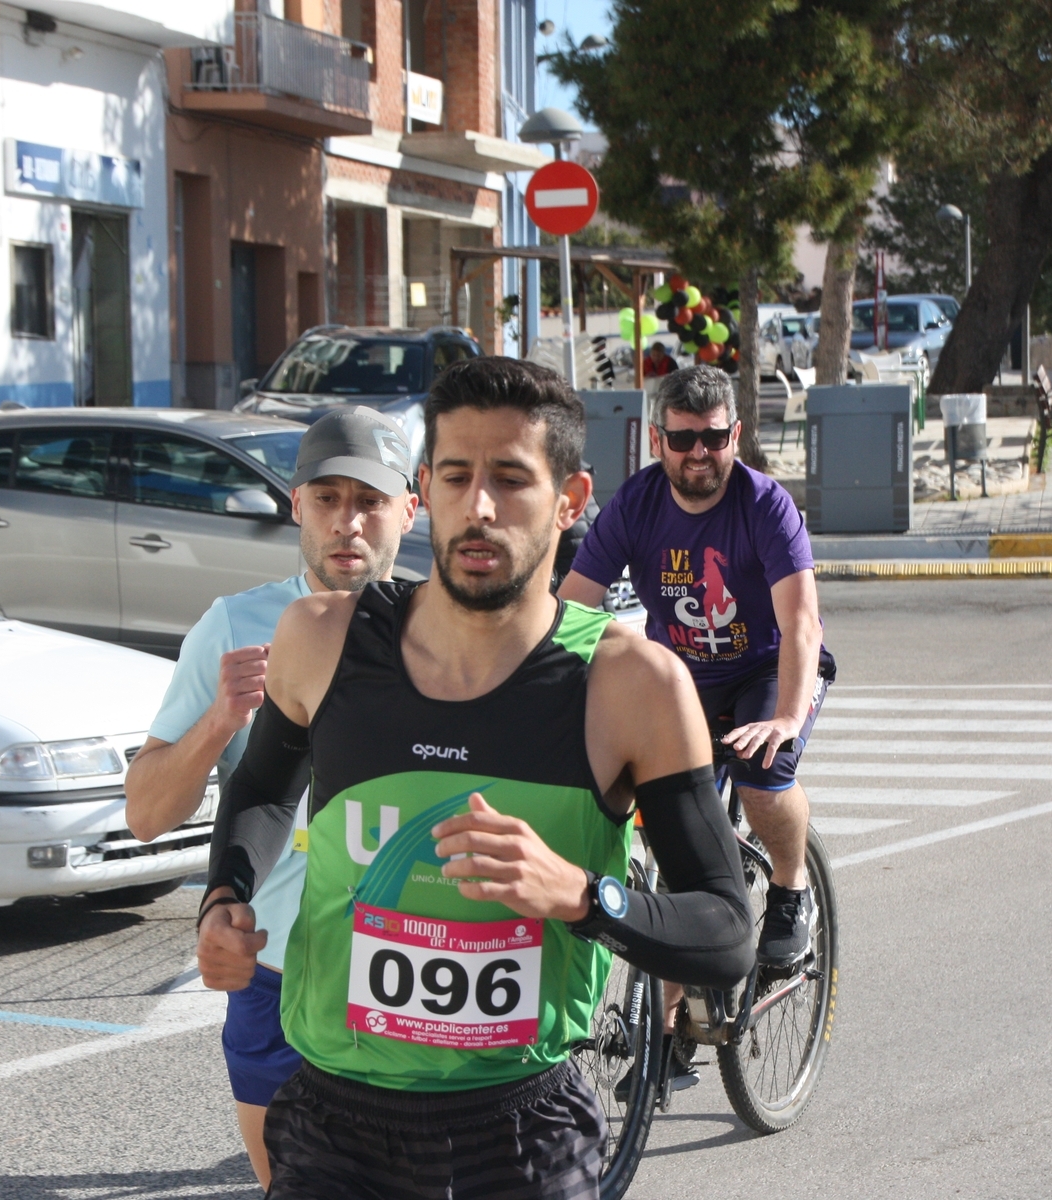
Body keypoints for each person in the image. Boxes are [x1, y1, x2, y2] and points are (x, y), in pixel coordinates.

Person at [197, 356, 756, 1200]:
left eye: (511, 479)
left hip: (520, 1129)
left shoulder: (630, 683)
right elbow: (264, 788)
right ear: (426, 488)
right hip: (335, 1122)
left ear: (570, 499)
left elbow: (724, 930)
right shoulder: (322, 637)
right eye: (457, 477)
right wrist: (224, 895)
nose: (479, 507)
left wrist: (581, 896)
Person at [123, 407, 419, 1191]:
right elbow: (145, 815)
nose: (348, 523)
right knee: (287, 1184)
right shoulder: (235, 626)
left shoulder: (439, 635)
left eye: (371, 501)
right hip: (275, 971)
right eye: (327, 499)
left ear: (409, 510)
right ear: (296, 506)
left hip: (406, 973)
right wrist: (219, 722)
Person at [557, 364, 833, 972]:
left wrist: (787, 718)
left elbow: (801, 623)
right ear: (658, 441)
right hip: (681, 678)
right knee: (661, 829)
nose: (699, 453)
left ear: (735, 435)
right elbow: (571, 607)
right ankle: (674, 1018)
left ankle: (791, 890)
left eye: (713, 437)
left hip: (766, 671)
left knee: (763, 776)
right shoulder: (636, 505)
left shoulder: (766, 505)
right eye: (683, 439)